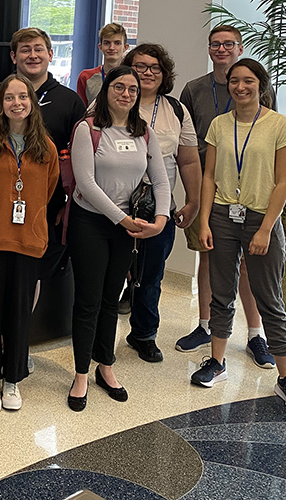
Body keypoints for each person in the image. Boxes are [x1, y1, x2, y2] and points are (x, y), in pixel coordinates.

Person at [191, 58, 286, 412]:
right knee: (221, 292)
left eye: (248, 81)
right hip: (224, 215)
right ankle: (217, 362)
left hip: (261, 218)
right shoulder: (218, 124)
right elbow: (209, 176)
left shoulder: (278, 125)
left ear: (261, 85)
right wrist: (204, 221)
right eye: (234, 81)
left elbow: (283, 181)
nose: (240, 87)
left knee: (268, 297)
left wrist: (266, 227)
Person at [0, 27, 85, 370]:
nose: (32, 55)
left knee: (30, 282)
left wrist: (57, 206)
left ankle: (18, 344)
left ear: (50, 54)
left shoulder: (70, 100)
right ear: (14, 57)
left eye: (39, 49)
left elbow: (64, 167)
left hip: (41, 217)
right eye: (24, 50)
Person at [66, 66, 169, 409]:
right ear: (106, 90)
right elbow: (86, 183)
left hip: (127, 227)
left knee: (113, 299)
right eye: (119, 87)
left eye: (132, 90)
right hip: (92, 223)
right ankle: (81, 372)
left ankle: (105, 367)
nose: (126, 94)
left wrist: (161, 218)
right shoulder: (88, 128)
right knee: (88, 301)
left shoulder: (144, 132)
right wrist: (124, 219)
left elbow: (161, 179)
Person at [176, 25, 275, 368]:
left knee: (249, 265)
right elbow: (184, 143)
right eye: (216, 44)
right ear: (208, 49)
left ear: (240, 47)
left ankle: (254, 334)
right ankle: (205, 326)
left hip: (250, 191)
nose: (222, 49)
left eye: (228, 44)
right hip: (208, 189)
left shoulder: (254, 85)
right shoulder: (194, 90)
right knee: (208, 258)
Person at [0, 75, 58, 413]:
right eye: (10, 97)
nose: (17, 103)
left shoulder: (45, 147)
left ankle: (13, 380)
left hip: (28, 240)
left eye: (23, 96)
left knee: (20, 313)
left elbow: (49, 190)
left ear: (32, 102)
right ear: (1, 104)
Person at [121, 44, 201, 363]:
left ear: (164, 74)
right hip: (115, 201)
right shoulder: (112, 99)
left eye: (154, 67)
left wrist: (193, 201)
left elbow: (189, 161)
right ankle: (96, 337)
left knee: (151, 274)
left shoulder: (176, 109)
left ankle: (143, 334)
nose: (147, 73)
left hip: (158, 204)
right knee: (109, 272)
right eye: (140, 66)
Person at [76, 23, 129, 107]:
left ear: (125, 47)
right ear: (100, 47)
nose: (111, 47)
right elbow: (82, 111)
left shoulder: (131, 78)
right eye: (107, 43)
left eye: (117, 43)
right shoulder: (86, 77)